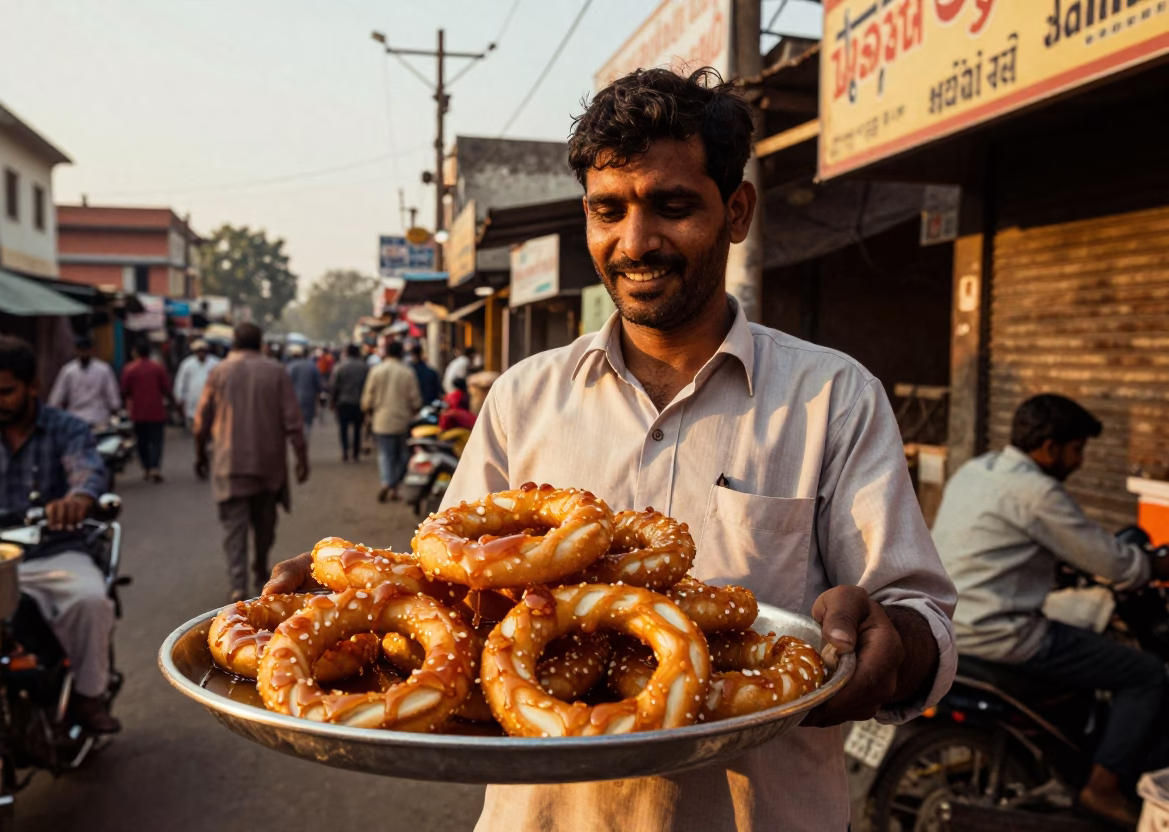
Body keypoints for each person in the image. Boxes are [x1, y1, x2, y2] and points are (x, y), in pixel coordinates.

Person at [267, 67, 955, 832]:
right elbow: (446, 592)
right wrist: (358, 594)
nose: (636, 242)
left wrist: (894, 645)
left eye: (672, 206)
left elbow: (920, 616)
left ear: (736, 212)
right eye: (609, 210)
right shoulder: (523, 398)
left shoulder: (834, 398)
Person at [933, 393, 1169, 826]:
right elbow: (1113, 561)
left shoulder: (976, 470)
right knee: (1146, 674)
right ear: (1049, 447)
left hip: (950, 622)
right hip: (1001, 634)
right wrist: (1156, 563)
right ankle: (1102, 790)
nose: (1079, 462)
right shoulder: (1038, 492)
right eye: (1077, 449)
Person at [0, 337, 119, 733]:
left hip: (53, 552)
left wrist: (78, 498)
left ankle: (87, 696)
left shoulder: (67, 429)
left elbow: (87, 470)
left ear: (32, 386)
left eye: (5, 391)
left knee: (90, 601)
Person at [194, 323, 308, 603]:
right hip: (267, 468)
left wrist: (199, 455)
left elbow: (201, 421)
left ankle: (238, 583)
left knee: (235, 530)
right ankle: (260, 572)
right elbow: (293, 421)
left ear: (234, 343)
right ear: (260, 344)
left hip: (228, 465)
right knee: (264, 526)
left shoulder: (219, 371)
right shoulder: (275, 371)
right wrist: (301, 458)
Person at [360, 340, 421, 503]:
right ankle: (393, 485)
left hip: (381, 420)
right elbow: (415, 401)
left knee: (385, 455)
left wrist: (368, 413)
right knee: (403, 456)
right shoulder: (407, 372)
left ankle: (387, 483)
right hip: (402, 420)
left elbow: (367, 399)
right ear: (401, 353)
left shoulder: (376, 371)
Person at [120, 342, 174, 483]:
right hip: (156, 411)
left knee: (141, 441)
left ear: (136, 353)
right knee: (156, 441)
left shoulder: (129, 369)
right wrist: (172, 405)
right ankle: (155, 467)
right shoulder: (158, 368)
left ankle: (147, 467)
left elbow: (124, 391)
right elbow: (166, 388)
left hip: (138, 412)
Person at [47, 336, 120, 429]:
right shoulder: (103, 369)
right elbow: (114, 399)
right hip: (96, 419)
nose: (84, 353)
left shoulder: (68, 370)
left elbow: (56, 400)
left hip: (81, 419)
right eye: (82, 350)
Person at [332, 344, 369, 463]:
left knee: (343, 428)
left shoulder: (340, 367)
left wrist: (332, 401)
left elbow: (334, 386)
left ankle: (345, 451)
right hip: (359, 402)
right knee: (358, 428)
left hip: (343, 402)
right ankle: (356, 453)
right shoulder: (364, 367)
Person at [173, 339, 220, 432]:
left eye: (203, 351)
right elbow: (181, 382)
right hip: (192, 400)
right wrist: (179, 397)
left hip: (211, 399)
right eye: (199, 351)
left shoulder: (215, 363)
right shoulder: (187, 364)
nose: (201, 353)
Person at [285, 343, 323, 437]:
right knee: (307, 422)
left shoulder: (291, 366)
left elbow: (286, 383)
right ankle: (304, 439)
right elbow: (318, 383)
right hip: (309, 398)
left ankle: (297, 437)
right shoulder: (312, 366)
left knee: (295, 420)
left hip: (293, 398)